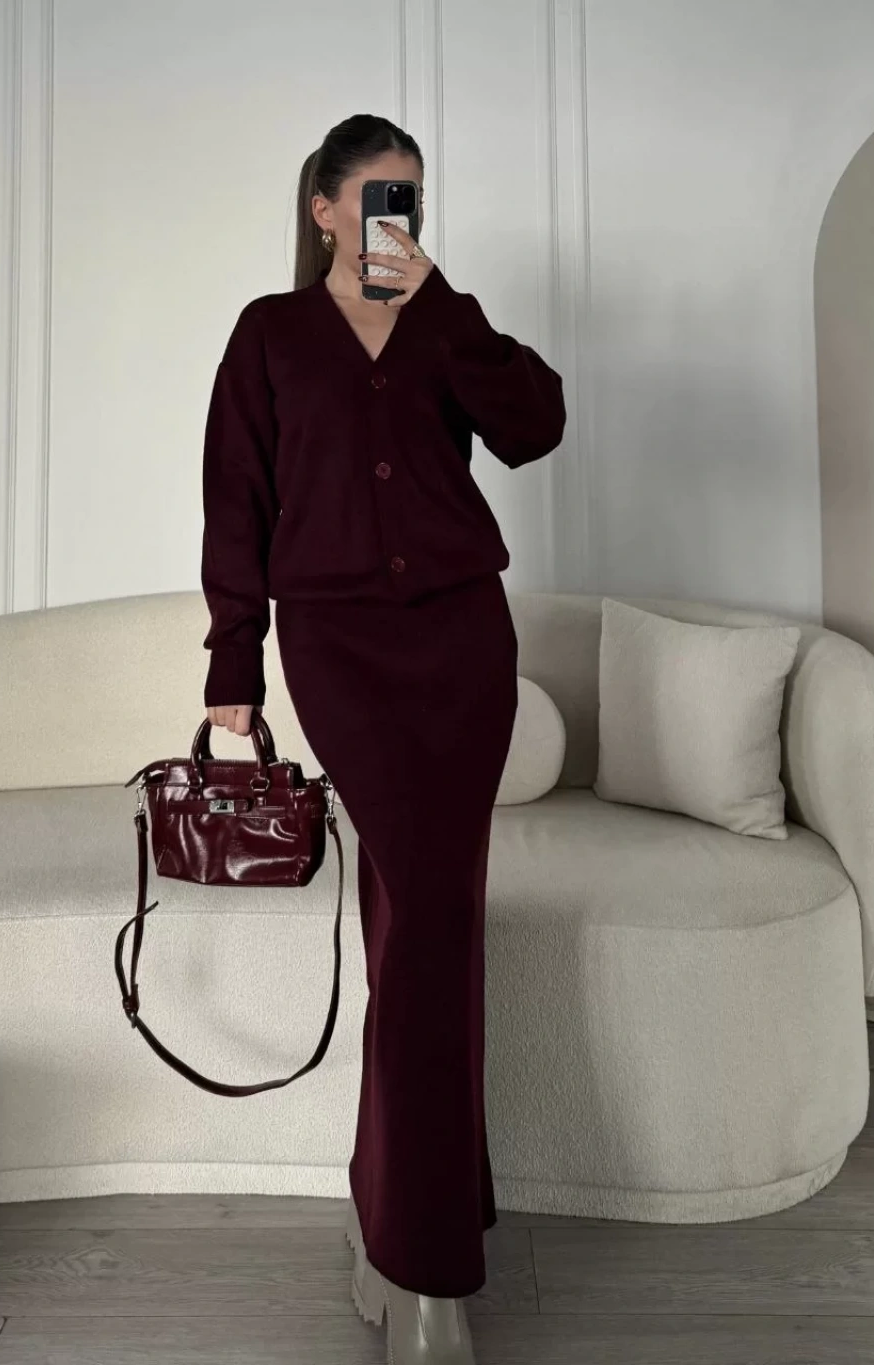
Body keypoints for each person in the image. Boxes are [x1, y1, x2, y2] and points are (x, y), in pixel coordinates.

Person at [200, 112, 566, 1364]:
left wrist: (441, 301)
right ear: (322, 208)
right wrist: (233, 664)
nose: (393, 218)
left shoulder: (443, 320)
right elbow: (236, 500)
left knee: (426, 930)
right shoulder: (269, 332)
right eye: (375, 196)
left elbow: (534, 426)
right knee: (423, 931)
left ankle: (405, 1235)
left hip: (463, 646)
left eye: (411, 196)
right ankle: (422, 1250)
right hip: (340, 654)